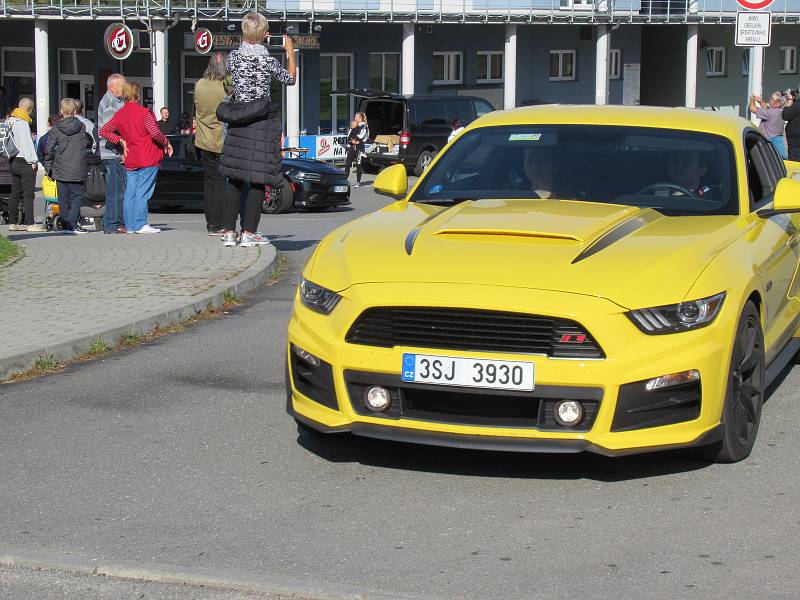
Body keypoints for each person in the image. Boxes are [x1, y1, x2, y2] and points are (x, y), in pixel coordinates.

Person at [216, 11, 296, 248]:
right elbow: (290, 79)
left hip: (239, 121)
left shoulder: (233, 58)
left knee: (234, 178)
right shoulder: (267, 61)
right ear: (264, 34)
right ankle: (249, 233)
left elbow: (227, 79)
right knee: (258, 180)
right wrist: (290, 53)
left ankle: (229, 232)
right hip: (261, 123)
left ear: (243, 32)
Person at [99, 82, 173, 235]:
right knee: (142, 192)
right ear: (138, 95)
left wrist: (120, 140)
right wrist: (166, 141)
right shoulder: (144, 112)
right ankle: (140, 223)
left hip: (131, 157)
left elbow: (104, 130)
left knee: (130, 192)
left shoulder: (120, 114)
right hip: (147, 156)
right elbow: (154, 132)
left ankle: (131, 225)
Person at [44, 98, 92, 234]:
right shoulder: (82, 126)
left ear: (61, 111)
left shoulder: (56, 128)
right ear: (76, 111)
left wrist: (48, 167)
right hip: (78, 167)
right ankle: (72, 221)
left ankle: (66, 221)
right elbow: (88, 143)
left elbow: (49, 149)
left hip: (60, 167)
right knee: (77, 196)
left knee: (62, 197)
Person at [194, 51, 228, 235]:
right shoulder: (227, 86)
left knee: (209, 184)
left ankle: (211, 225)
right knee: (222, 183)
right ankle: (223, 223)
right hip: (222, 140)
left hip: (203, 140)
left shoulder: (199, 85)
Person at [98, 73, 128, 234]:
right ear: (112, 87)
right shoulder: (110, 103)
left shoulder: (116, 101)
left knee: (114, 190)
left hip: (112, 153)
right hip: (112, 153)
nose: (125, 89)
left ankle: (111, 222)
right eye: (122, 86)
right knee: (117, 190)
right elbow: (108, 131)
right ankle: (114, 223)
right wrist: (121, 148)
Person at [6, 97, 38, 231]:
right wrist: (33, 161)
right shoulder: (23, 123)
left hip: (13, 160)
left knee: (15, 193)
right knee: (28, 194)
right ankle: (30, 224)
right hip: (25, 162)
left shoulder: (10, 120)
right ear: (29, 109)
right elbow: (26, 144)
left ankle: (13, 223)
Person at [750, 92, 787, 159]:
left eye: (772, 98)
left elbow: (752, 108)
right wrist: (761, 101)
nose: (770, 100)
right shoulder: (782, 111)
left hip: (769, 142)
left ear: (777, 103)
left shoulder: (770, 113)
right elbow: (767, 108)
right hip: (778, 142)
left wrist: (752, 99)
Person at [344, 113, 368, 188]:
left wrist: (354, 138)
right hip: (352, 147)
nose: (355, 118)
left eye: (356, 117)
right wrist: (352, 141)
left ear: (360, 118)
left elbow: (361, 137)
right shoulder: (354, 125)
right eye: (355, 117)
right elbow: (348, 136)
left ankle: (358, 182)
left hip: (359, 148)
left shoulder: (364, 126)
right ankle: (344, 180)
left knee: (358, 164)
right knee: (348, 163)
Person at [782, 89, 800, 161]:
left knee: (796, 165)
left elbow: (786, 115)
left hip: (796, 142)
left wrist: (789, 100)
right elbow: (795, 110)